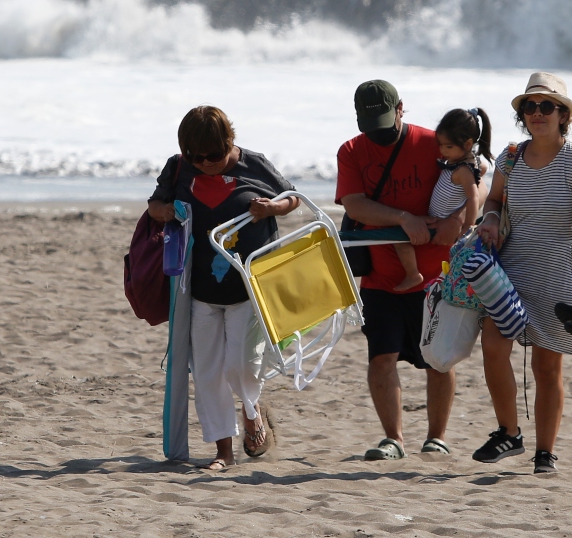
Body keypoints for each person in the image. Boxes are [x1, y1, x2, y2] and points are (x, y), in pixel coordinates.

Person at [148, 105, 300, 471]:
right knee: (207, 372)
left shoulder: (255, 164)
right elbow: (154, 205)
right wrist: (166, 212)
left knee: (241, 368)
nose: (205, 163)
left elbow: (293, 198)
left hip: (248, 290)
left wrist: (272, 209)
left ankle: (252, 414)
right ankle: (223, 452)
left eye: (214, 156)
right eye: (195, 157)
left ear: (230, 141)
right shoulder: (178, 167)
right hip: (199, 292)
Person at [473, 72, 572, 474]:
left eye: (547, 106)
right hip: (510, 273)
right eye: (530, 106)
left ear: (563, 114)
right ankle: (509, 432)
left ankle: (544, 452)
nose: (537, 113)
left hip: (558, 274)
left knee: (547, 367)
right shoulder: (510, 157)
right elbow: (493, 199)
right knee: (494, 345)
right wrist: (491, 219)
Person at [335, 80, 468, 460]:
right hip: (380, 276)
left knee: (439, 359)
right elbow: (355, 205)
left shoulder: (433, 144)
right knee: (381, 357)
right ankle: (394, 438)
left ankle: (436, 437)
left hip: (437, 275)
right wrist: (403, 218)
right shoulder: (351, 150)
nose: (380, 134)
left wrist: (457, 220)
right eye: (371, 126)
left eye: (385, 123)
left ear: (401, 109)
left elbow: (471, 182)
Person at [391, 108, 493, 291]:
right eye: (440, 145)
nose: (442, 151)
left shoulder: (463, 170)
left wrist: (467, 227)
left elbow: (473, 197)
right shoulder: (466, 163)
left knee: (398, 236)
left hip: (439, 221)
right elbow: (482, 167)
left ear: (468, 144)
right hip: (437, 217)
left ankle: (413, 274)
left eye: (448, 146)